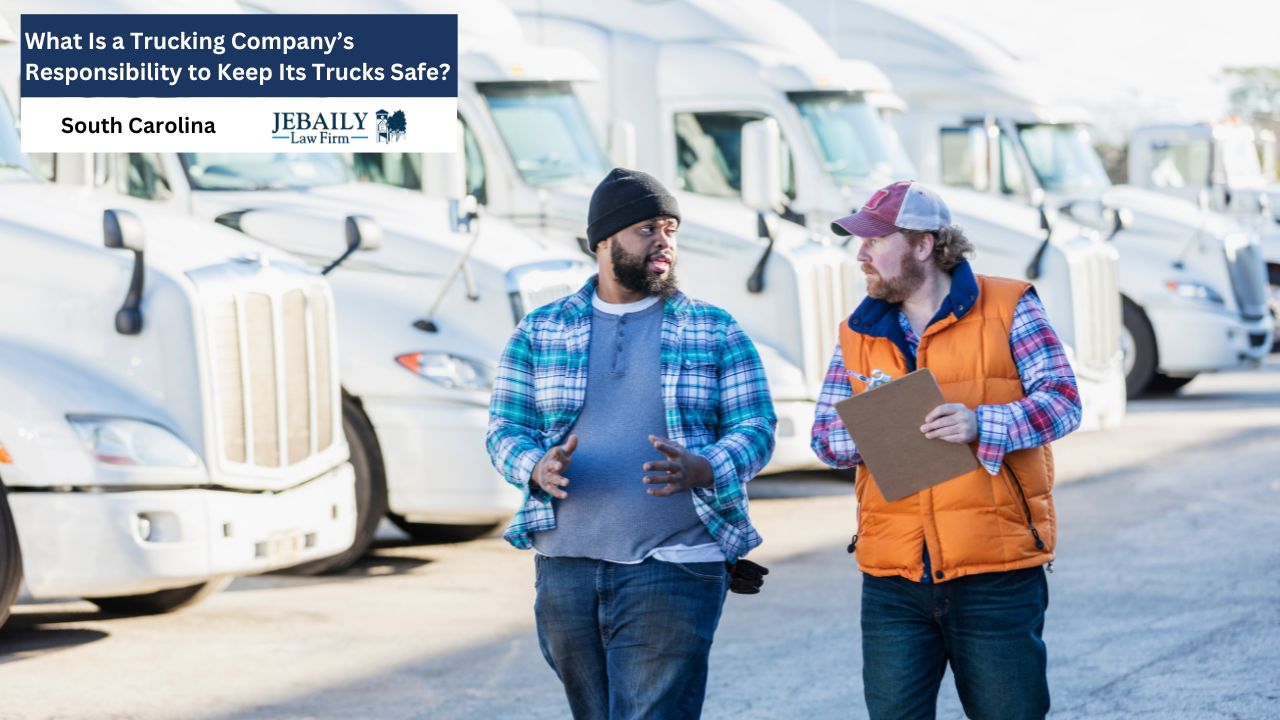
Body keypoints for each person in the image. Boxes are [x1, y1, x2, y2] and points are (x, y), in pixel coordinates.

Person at [486, 167, 776, 719]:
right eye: (647, 229)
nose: (663, 242)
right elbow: (504, 429)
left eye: (670, 229)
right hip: (565, 565)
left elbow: (757, 428)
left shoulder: (715, 329)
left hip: (675, 563)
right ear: (604, 241)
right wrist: (535, 466)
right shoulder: (540, 330)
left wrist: (706, 466)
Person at [810, 180, 1082, 720]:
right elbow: (823, 437)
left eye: (875, 240)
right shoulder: (856, 331)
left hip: (995, 570)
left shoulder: (1009, 305)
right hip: (893, 579)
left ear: (923, 243)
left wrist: (982, 422)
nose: (860, 255)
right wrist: (883, 425)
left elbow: (1064, 402)